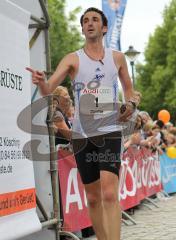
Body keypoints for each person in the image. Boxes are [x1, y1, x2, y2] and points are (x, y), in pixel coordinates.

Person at [26, 7, 139, 240]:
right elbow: (48, 89)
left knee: (109, 193)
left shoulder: (116, 58)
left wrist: (130, 103)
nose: (89, 23)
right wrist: (41, 82)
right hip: (82, 135)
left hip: (109, 131)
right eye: (85, 21)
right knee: (94, 197)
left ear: (104, 27)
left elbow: (128, 87)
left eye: (95, 19)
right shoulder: (72, 59)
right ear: (83, 28)